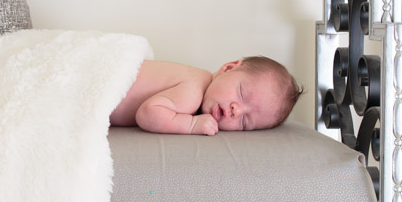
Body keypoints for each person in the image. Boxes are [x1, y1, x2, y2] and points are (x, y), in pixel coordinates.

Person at [110, 56, 303, 135]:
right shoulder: (193, 89)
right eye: (242, 94)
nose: (237, 110)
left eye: (245, 121)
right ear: (228, 68)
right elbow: (147, 114)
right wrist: (191, 125)